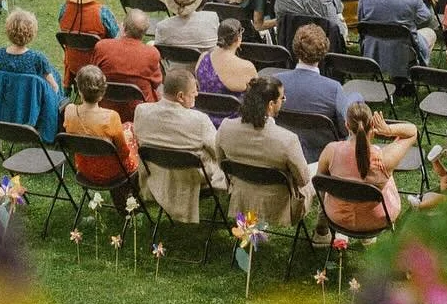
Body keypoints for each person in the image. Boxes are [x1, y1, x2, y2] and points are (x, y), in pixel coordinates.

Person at [215, 76, 314, 226]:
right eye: (282, 98)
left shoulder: (225, 127)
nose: (283, 101)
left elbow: (221, 163)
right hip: (279, 204)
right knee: (320, 170)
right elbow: (303, 180)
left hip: (242, 195)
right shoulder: (287, 139)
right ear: (271, 104)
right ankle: (323, 232)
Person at [134, 69, 225, 223]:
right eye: (194, 92)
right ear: (181, 96)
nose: (197, 95)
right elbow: (219, 151)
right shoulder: (199, 120)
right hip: (191, 178)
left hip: (157, 174)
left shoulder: (142, 111)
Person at [317, 99, 419, 234]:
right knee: (388, 178)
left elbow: (320, 182)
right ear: (372, 125)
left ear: (346, 125)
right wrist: (388, 130)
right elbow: (413, 131)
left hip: (337, 217)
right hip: (377, 219)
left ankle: (321, 228)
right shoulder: (384, 159)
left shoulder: (330, 151)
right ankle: (368, 237)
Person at [0, 8, 62, 142]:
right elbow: (54, 88)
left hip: (8, 100)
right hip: (32, 104)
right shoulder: (37, 58)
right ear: (31, 33)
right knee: (53, 78)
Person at [356, 0, 436, 75]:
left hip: (373, 48)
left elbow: (361, 20)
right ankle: (416, 71)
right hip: (403, 53)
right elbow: (426, 18)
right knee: (430, 33)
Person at [278, 23, 349, 157]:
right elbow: (345, 129)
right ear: (324, 50)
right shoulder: (333, 89)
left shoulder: (276, 81)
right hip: (322, 155)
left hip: (286, 151)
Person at [63, 65, 140, 187]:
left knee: (127, 127)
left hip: (84, 169)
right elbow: (124, 153)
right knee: (131, 128)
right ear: (102, 92)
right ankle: (133, 189)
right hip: (113, 173)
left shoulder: (69, 111)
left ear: (79, 90)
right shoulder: (111, 117)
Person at [92, 10, 163, 115]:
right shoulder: (151, 53)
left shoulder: (102, 46)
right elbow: (156, 83)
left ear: (123, 27)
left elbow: (93, 73)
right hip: (139, 110)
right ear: (145, 32)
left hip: (106, 106)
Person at [57, 0, 119, 83]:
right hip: (98, 65)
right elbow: (115, 37)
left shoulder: (64, 9)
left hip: (74, 64)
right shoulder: (102, 12)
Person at [195, 18, 257, 101]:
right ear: (239, 38)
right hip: (236, 113)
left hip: (203, 111)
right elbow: (258, 96)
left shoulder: (203, 57)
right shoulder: (247, 67)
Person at [153, 0, 219, 53]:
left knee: (150, 44)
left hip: (175, 64)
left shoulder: (162, 26)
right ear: (196, 0)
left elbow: (158, 52)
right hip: (206, 64)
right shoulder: (212, 18)